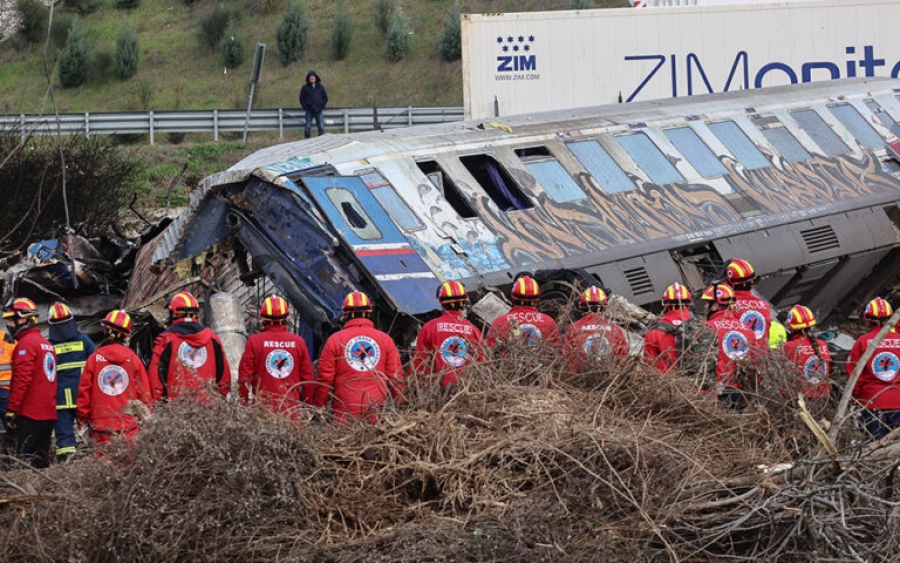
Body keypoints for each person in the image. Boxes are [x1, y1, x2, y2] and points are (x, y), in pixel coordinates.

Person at [312, 291, 404, 424]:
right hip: (377, 416)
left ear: (345, 314)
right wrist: (400, 405)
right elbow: (395, 377)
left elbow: (324, 379)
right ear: (369, 312)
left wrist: (320, 406)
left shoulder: (335, 340)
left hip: (344, 416)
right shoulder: (385, 340)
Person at [77, 310, 153, 447]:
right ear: (126, 335)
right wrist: (146, 417)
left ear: (106, 330)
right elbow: (144, 393)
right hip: (128, 426)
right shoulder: (133, 359)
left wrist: (82, 420)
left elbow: (84, 394)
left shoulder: (94, 359)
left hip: (100, 427)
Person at [238, 295, 315, 419]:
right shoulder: (298, 343)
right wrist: (307, 406)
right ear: (287, 317)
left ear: (262, 318)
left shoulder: (254, 342)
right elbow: (308, 381)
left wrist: (244, 404)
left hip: (263, 415)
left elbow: (244, 378)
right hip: (291, 414)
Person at [148, 291, 231, 402]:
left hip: (177, 409)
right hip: (210, 409)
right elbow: (224, 377)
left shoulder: (166, 340)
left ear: (175, 314)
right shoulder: (212, 338)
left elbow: (155, 381)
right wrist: (221, 401)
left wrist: (157, 405)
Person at [3, 298, 57, 468]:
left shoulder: (26, 344)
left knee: (13, 461)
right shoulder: (46, 344)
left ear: (24, 319)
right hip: (48, 415)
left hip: (30, 415)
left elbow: (22, 380)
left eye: (11, 320)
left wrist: (11, 410)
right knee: (40, 463)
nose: (8, 325)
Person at [412, 280, 484, 387]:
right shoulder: (474, 330)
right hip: (466, 389)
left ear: (441, 301)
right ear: (464, 301)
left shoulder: (429, 328)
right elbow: (482, 364)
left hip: (436, 390)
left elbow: (419, 364)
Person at [47, 302, 96, 461]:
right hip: (82, 395)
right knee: (94, 428)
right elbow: (95, 364)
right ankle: (97, 455)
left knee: (64, 434)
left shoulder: (49, 347)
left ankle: (67, 461)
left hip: (60, 399)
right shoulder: (84, 341)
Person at [846, 297, 900, 440]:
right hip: (898, 400)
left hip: (871, 402)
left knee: (875, 446)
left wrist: (853, 400)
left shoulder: (862, 342)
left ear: (867, 319)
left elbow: (854, 376)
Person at [701, 282, 757, 409]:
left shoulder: (706, 328)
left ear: (716, 305)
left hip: (717, 393)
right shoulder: (748, 331)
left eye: (707, 303)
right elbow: (755, 363)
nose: (705, 306)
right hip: (742, 393)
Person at [486, 275, 558, 351]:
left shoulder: (500, 322)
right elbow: (558, 350)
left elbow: (489, 350)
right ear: (536, 299)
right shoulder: (549, 322)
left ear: (513, 296)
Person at [565, 286, 629, 371]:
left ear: (581, 306)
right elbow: (623, 359)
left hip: (580, 377)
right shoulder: (616, 330)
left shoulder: (573, 329)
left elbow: (568, 359)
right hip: (611, 376)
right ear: (604, 306)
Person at [643, 283, 694, 373]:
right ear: (689, 304)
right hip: (697, 380)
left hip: (666, 380)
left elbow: (649, 367)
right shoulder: (702, 327)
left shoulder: (654, 332)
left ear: (665, 305)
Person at [782, 304, 831, 399]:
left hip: (797, 398)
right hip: (822, 399)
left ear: (791, 327)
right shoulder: (823, 345)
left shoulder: (789, 347)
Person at [724, 258, 773, 348]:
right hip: (761, 354)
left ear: (729, 282)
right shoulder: (765, 306)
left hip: (739, 353)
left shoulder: (727, 305)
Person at [299, 70, 328, 139]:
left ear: (316, 77)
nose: (312, 78)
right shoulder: (305, 87)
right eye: (310, 77)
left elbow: (325, 98)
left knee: (321, 127)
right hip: (309, 110)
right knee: (307, 127)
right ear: (308, 78)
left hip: (319, 110)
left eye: (313, 77)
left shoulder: (320, 87)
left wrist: (322, 106)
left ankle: (321, 140)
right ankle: (307, 140)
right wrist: (305, 107)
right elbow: (301, 99)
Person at [0, 327, 15, 443]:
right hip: (6, 390)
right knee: (11, 425)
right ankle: (16, 449)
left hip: (5, 390)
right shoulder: (8, 339)